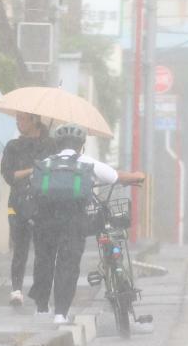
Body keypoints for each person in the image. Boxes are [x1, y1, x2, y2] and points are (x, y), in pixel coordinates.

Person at [28, 122, 145, 324]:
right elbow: (115, 177)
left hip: (45, 219)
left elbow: (33, 185)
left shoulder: (45, 163)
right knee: (68, 264)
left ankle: (41, 308)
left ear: (58, 144)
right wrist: (137, 176)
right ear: (81, 144)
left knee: (44, 261)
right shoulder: (86, 162)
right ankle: (60, 313)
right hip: (73, 219)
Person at [1, 111, 56, 306]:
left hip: (43, 203)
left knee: (43, 249)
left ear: (35, 119)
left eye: (22, 119)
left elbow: (56, 171)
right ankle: (16, 289)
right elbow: (8, 175)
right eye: (16, 119)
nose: (18, 123)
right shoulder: (13, 146)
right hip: (18, 202)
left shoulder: (51, 145)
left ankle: (41, 290)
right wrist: (33, 170)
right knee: (20, 247)